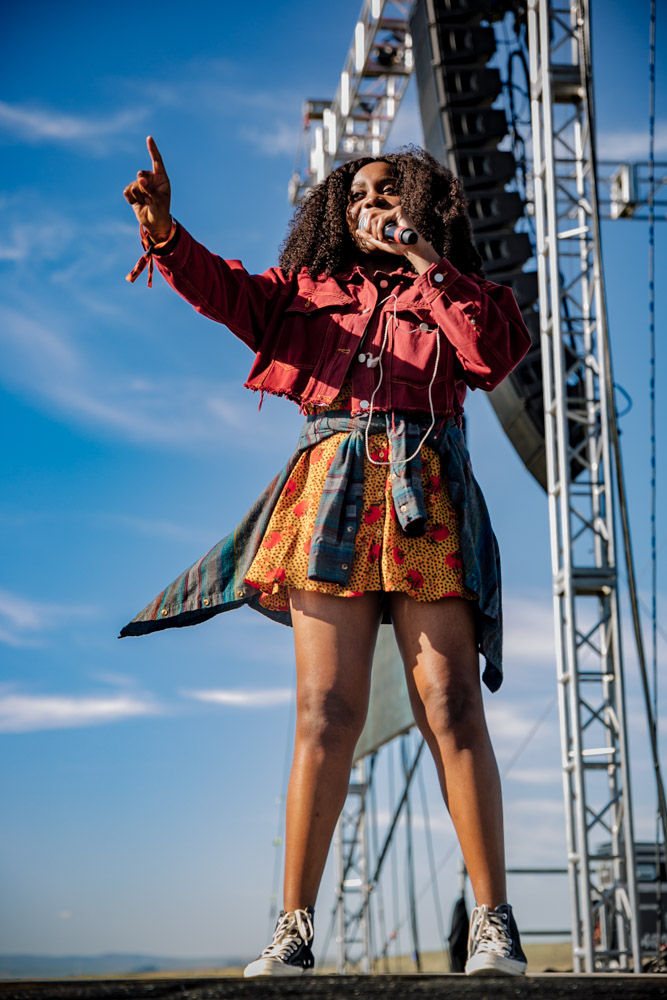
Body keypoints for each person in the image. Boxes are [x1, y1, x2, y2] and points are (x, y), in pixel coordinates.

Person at [122, 136, 532, 978]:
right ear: (333, 219)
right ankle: (294, 930)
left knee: (450, 704)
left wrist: (422, 259)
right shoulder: (304, 293)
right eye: (354, 198)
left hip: (427, 493)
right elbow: (222, 292)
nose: (368, 206)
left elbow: (489, 360)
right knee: (326, 713)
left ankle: (493, 925)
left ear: (422, 204)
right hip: (332, 491)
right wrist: (165, 231)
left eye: (387, 192)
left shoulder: (469, 292)